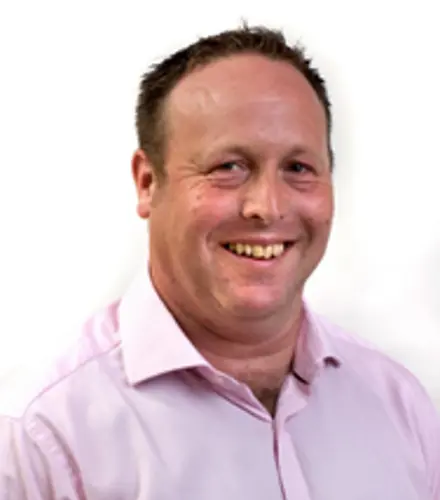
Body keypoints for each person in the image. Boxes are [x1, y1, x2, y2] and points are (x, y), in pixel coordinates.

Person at [1, 24, 439, 500]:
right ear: (147, 183)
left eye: (298, 168)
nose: (268, 207)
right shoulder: (43, 438)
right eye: (229, 167)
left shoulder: (399, 407)